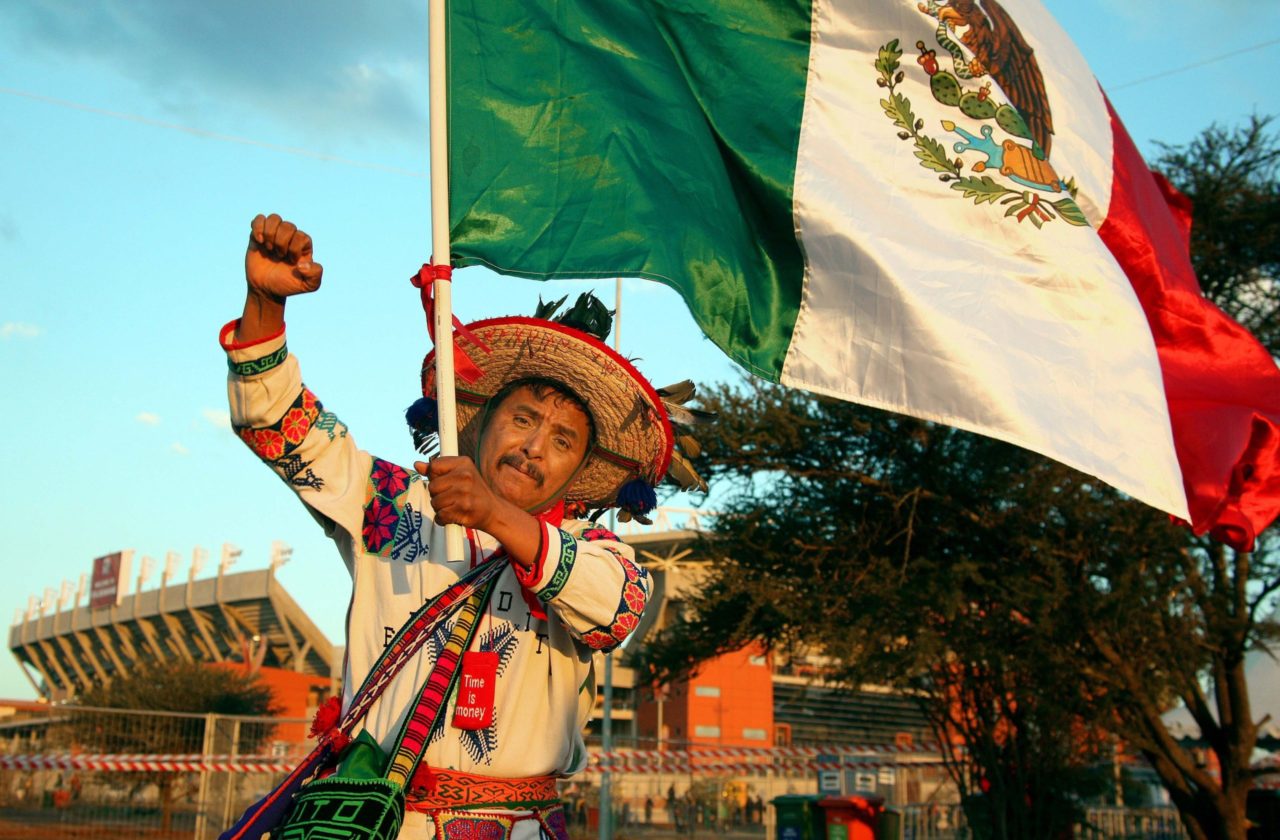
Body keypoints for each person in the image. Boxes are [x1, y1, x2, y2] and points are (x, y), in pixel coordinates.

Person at [222, 214, 706, 839]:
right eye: (524, 417)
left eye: (562, 439)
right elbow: (278, 427)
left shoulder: (595, 554)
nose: (535, 447)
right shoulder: (392, 503)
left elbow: (619, 610)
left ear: (581, 468)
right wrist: (264, 302)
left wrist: (493, 514)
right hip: (373, 823)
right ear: (477, 424)